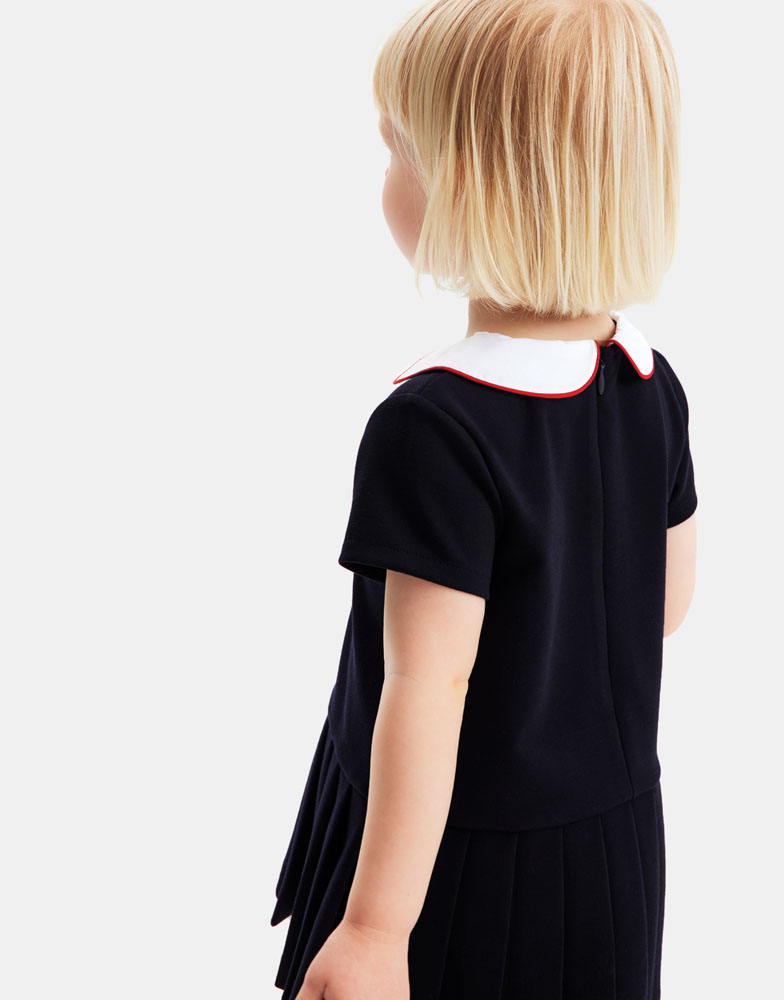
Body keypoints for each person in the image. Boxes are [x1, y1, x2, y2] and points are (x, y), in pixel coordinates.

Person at [269, 1, 698, 997]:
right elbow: (666, 604)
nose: (385, 174)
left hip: (447, 860)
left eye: (397, 149)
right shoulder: (650, 386)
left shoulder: (434, 428)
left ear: (466, 186)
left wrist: (375, 925)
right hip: (610, 844)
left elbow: (425, 687)